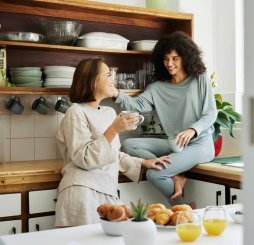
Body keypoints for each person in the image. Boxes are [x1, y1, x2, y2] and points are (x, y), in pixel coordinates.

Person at [55, 57, 170, 227]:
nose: (113, 79)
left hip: (107, 191)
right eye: (108, 74)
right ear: (93, 81)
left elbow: (112, 154)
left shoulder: (109, 112)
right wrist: (114, 129)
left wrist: (143, 162)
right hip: (82, 193)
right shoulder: (75, 112)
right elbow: (84, 158)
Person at [112, 31, 217, 205]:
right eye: (166, 59)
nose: (170, 63)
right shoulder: (157, 88)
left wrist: (192, 130)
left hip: (200, 144)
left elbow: (211, 113)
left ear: (186, 58)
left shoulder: (200, 79)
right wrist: (115, 92)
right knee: (128, 144)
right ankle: (176, 175)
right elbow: (137, 105)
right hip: (174, 144)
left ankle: (183, 210)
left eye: (175, 58)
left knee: (155, 174)